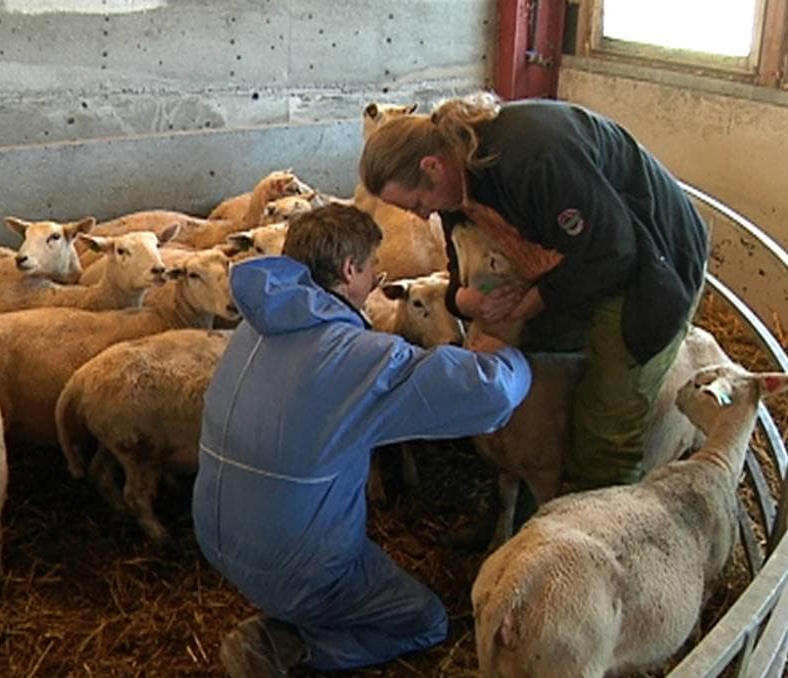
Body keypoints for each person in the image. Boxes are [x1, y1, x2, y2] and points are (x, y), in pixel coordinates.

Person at [192, 203, 532, 677]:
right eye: (373, 266)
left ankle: (289, 615)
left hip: (213, 533)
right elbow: (489, 391)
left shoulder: (253, 328)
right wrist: (504, 353)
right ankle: (289, 650)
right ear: (350, 270)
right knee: (426, 621)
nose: (375, 278)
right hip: (295, 562)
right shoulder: (353, 355)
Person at [359, 92, 709, 490]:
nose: (420, 216)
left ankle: (601, 525)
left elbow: (613, 251)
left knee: (605, 425)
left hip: (650, 265)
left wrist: (532, 301)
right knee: (525, 374)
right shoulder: (457, 185)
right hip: (574, 263)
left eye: (417, 202)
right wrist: (465, 301)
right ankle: (527, 502)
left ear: (432, 166)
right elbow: (459, 267)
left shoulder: (534, 157)